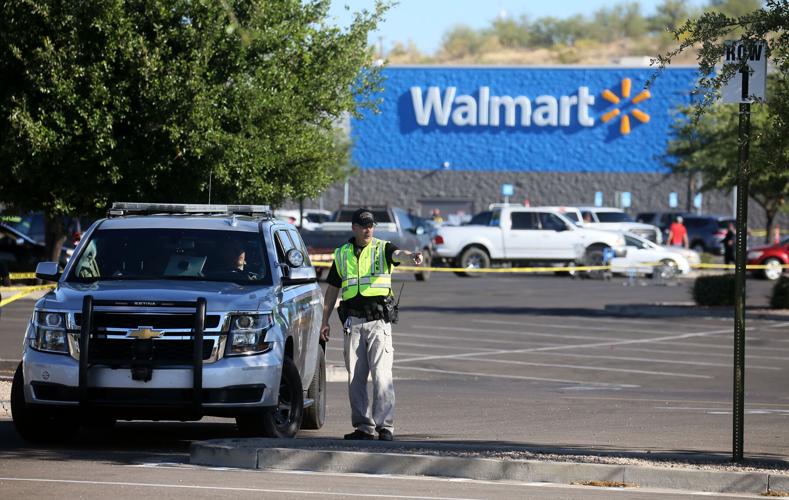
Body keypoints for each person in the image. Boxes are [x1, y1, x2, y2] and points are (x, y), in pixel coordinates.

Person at [319, 208, 423, 441]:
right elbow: (332, 289)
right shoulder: (343, 254)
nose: (368, 229)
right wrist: (324, 321)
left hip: (377, 323)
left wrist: (411, 256)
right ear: (354, 227)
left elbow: (399, 255)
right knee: (355, 377)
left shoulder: (382, 248)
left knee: (381, 375)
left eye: (371, 225)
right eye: (364, 225)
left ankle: (385, 427)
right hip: (352, 322)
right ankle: (363, 427)